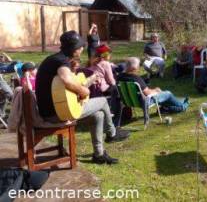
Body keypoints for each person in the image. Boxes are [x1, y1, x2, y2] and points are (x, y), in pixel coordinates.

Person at [35, 30, 129, 165]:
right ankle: (112, 134)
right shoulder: (61, 61)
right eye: (80, 47)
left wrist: (84, 85)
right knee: (102, 101)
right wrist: (84, 91)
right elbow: (67, 81)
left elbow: (63, 86)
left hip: (54, 110)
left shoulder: (54, 59)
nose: (81, 50)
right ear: (73, 49)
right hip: (55, 114)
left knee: (98, 116)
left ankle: (99, 154)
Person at [118, 57, 189, 114]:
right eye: (139, 66)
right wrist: (156, 90)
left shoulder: (119, 77)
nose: (139, 68)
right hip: (145, 101)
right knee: (168, 93)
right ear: (134, 68)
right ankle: (184, 105)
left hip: (128, 101)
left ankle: (167, 108)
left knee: (164, 96)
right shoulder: (136, 79)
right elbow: (147, 93)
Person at [90, 45, 123, 129]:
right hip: (101, 89)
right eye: (109, 54)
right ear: (106, 55)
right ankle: (116, 122)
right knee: (118, 92)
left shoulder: (92, 62)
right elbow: (111, 81)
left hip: (92, 88)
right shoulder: (105, 63)